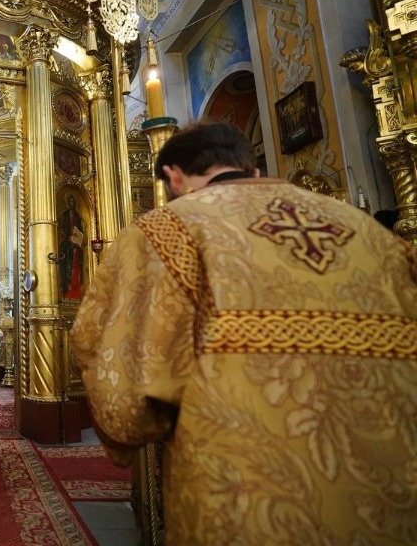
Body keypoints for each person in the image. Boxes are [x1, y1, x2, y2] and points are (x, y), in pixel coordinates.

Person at [70, 121, 417, 544]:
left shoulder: (167, 231)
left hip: (248, 491)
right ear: (252, 169)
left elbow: (109, 353)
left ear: (174, 177)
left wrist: (125, 431)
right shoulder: (370, 232)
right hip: (395, 486)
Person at [57, 194, 85, 299]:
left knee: (77, 254)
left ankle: (75, 287)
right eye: (70, 202)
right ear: (68, 203)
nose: (72, 204)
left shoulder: (78, 216)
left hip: (76, 241)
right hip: (66, 240)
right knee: (64, 253)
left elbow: (80, 230)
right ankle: (65, 287)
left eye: (73, 202)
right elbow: (61, 228)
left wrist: (78, 237)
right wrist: (68, 236)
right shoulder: (64, 215)